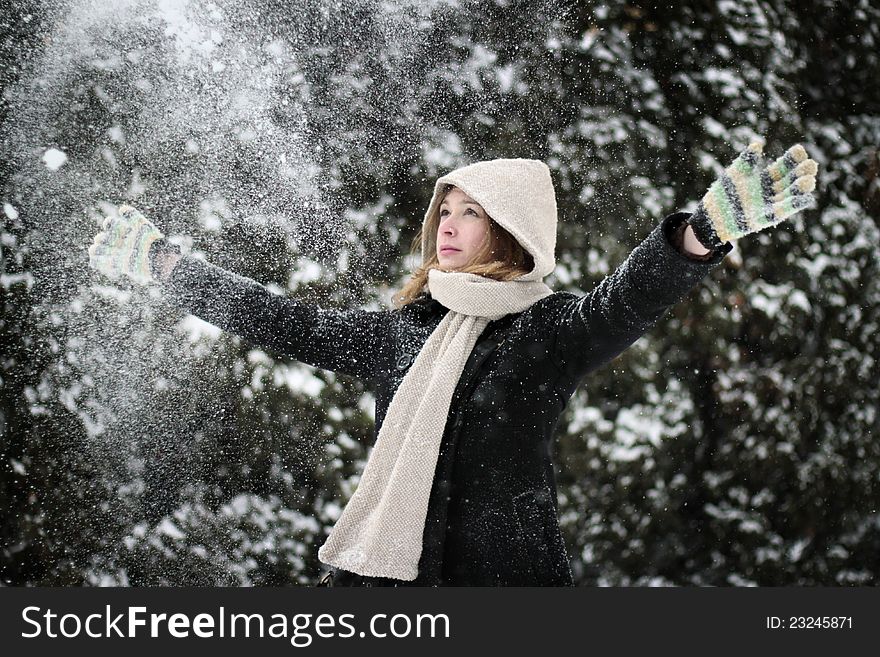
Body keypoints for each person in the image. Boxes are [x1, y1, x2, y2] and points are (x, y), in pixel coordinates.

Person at [88, 142, 818, 586]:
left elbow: (622, 303)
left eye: (471, 212)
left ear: (510, 230)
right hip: (389, 595)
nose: (447, 224)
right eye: (445, 210)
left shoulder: (545, 330)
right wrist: (167, 262)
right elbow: (286, 320)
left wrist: (700, 233)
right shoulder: (403, 335)